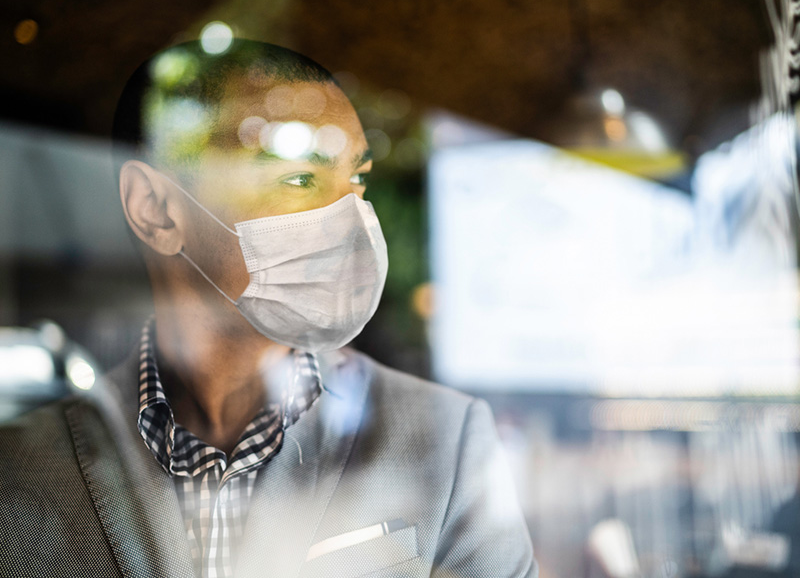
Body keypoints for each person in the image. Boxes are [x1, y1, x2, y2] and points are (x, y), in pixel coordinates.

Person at [0, 39, 536, 578]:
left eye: (358, 181)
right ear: (156, 211)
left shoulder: (445, 440)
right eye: (299, 179)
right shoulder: (18, 470)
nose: (351, 221)